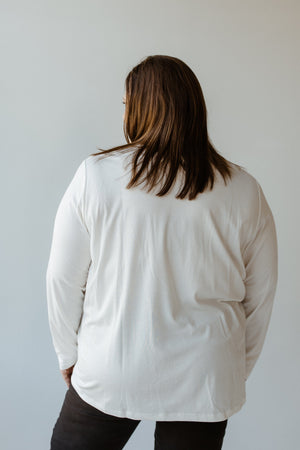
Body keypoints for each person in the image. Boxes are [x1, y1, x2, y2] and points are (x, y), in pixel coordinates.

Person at [46, 54, 278, 450]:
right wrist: (234, 370)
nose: (124, 114)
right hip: (205, 374)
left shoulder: (96, 175)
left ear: (141, 108)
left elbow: (63, 279)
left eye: (126, 105)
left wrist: (67, 353)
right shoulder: (244, 189)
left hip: (113, 365)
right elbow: (261, 296)